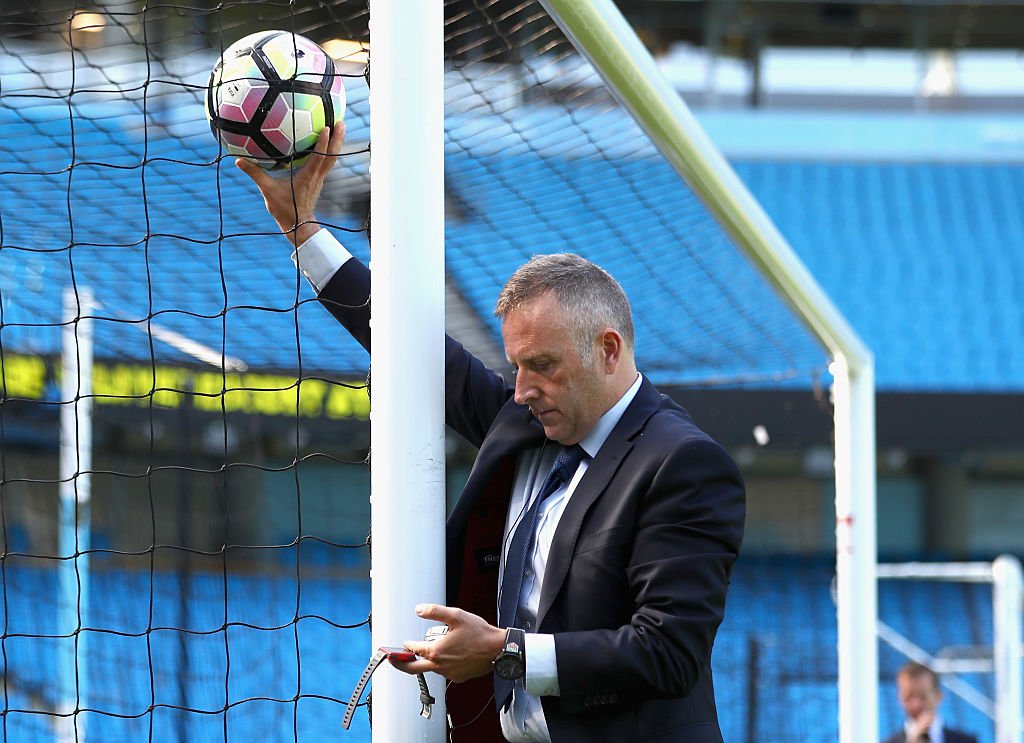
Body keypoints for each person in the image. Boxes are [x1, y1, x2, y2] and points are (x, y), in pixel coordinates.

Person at [238, 124, 746, 743]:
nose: (523, 388)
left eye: (543, 365)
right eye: (516, 367)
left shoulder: (682, 463)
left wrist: (507, 652)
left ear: (608, 350)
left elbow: (668, 652)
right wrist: (303, 230)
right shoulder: (529, 421)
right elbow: (412, 350)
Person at [883, 662, 978, 743]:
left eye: (923, 696)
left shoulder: (967, 741)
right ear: (898, 697)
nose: (916, 704)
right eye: (908, 696)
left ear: (939, 696)